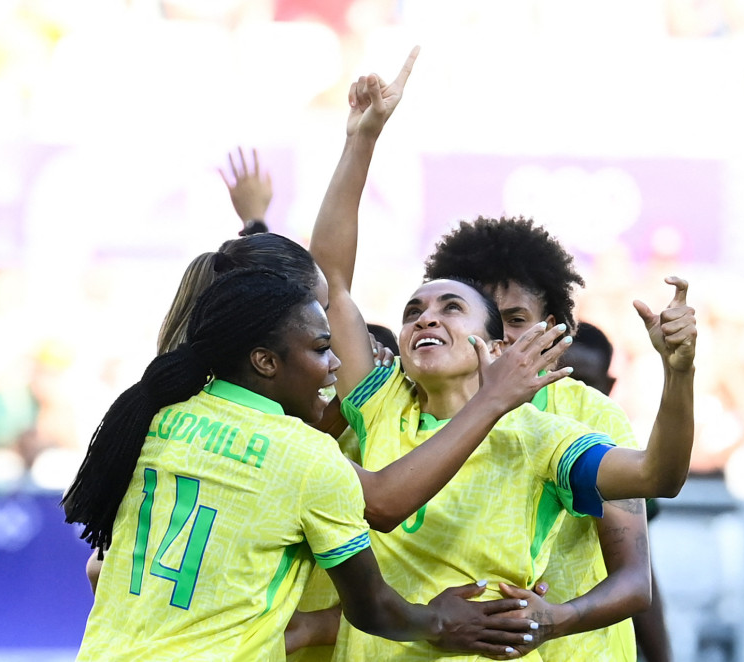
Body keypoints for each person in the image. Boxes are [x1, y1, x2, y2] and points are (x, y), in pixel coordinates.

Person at [305, 63, 696, 661]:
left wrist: (680, 374)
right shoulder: (381, 397)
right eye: (414, 310)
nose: (425, 319)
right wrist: (362, 138)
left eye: (452, 308)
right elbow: (330, 280)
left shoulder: (549, 433)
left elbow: (657, 480)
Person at [63, 268, 551, 661]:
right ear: (265, 362)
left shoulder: (160, 416)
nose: (335, 365)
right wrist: (440, 620)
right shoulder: (305, 456)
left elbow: (96, 569)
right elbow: (374, 604)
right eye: (321, 349)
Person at [422, 216, 692, 660]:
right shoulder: (410, 402)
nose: (500, 335)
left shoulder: (589, 413)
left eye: (515, 319)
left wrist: (555, 619)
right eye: (482, 314)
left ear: (550, 325)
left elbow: (635, 580)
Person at [559, 324, 673, 662]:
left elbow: (638, 569)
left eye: (587, 382)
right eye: (565, 378)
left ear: (609, 387)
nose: (574, 393)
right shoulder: (513, 437)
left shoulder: (616, 462)